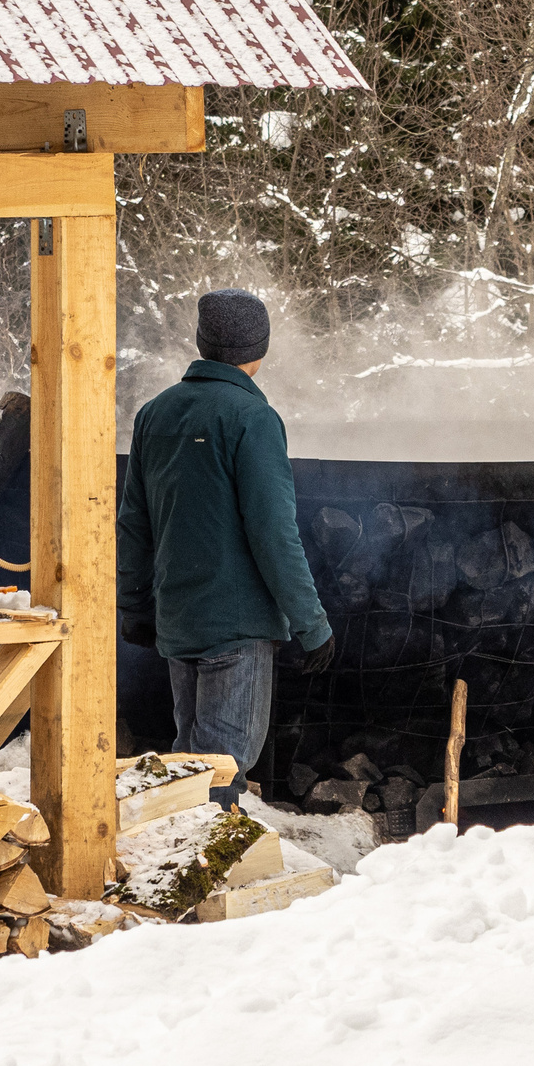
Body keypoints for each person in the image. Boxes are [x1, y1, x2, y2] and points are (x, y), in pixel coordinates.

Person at [115, 289, 335, 807]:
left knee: (188, 764)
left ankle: (171, 870)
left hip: (178, 619)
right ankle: (201, 881)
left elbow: (133, 522)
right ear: (259, 350)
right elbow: (274, 534)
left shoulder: (154, 414)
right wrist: (313, 625)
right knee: (223, 770)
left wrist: (135, 605)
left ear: (201, 341)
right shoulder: (252, 419)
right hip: (237, 629)